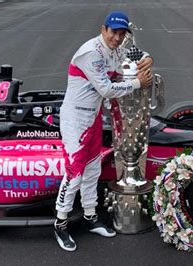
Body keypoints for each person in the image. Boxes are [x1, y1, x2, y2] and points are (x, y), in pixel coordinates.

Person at [53, 11, 154, 252]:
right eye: (113, 32)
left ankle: (90, 217)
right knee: (75, 173)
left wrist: (147, 59)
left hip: (93, 117)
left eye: (121, 34)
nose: (117, 38)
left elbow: (136, 54)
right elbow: (107, 89)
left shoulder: (117, 49)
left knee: (92, 170)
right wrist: (138, 83)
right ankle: (61, 223)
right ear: (103, 29)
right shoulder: (91, 53)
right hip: (75, 119)